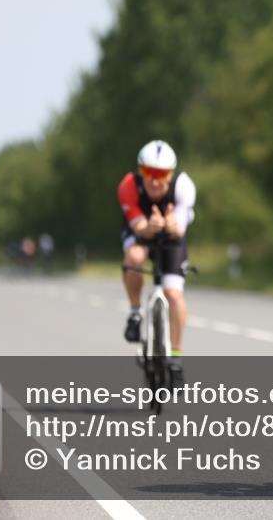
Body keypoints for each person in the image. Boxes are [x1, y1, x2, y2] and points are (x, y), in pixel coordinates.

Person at [117, 140, 196, 382]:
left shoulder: (184, 185)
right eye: (148, 172)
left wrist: (174, 225)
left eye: (160, 174)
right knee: (134, 257)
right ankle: (134, 313)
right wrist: (148, 226)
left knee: (174, 294)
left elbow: (181, 227)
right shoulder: (128, 185)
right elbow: (138, 224)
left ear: (170, 175)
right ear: (140, 172)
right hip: (141, 233)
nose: (153, 180)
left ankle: (175, 356)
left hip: (171, 237)